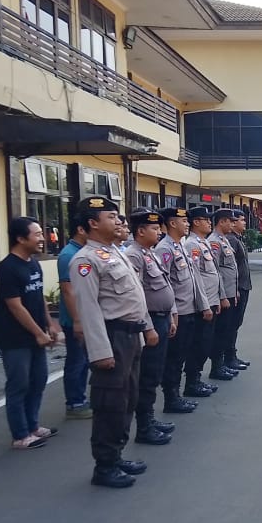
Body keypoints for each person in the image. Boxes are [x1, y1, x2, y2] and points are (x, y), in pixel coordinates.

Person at [69, 196, 158, 488]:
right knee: (110, 403)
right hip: (112, 337)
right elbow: (89, 309)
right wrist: (100, 352)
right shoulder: (85, 260)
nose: (118, 221)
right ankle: (104, 465)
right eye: (111, 216)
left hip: (130, 335)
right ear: (92, 223)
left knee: (127, 399)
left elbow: (136, 296)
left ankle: (116, 456)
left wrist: (145, 328)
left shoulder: (114, 252)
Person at [0, 216, 62, 449]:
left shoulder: (33, 263)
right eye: (37, 234)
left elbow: (38, 296)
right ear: (21, 239)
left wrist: (49, 325)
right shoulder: (7, 268)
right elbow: (15, 306)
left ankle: (33, 426)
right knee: (19, 384)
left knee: (38, 380)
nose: (42, 238)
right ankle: (20, 435)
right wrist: (37, 333)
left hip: (36, 335)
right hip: (15, 338)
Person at [125, 209, 177, 447]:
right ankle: (144, 426)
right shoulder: (134, 256)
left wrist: (171, 315)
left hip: (162, 318)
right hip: (151, 321)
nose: (159, 232)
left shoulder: (150, 253)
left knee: (155, 373)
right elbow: (137, 296)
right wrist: (148, 327)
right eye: (154, 229)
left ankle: (150, 419)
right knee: (147, 375)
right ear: (140, 231)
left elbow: (164, 284)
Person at [155, 207, 200, 412]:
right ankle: (171, 398)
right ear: (172, 223)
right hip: (177, 313)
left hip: (188, 309)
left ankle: (177, 395)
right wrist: (172, 314)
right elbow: (165, 284)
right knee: (173, 359)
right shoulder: (164, 249)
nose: (188, 224)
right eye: (184, 221)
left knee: (182, 355)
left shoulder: (179, 246)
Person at [57, 214, 91, 419]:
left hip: (86, 316)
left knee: (85, 360)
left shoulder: (84, 251)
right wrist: (77, 320)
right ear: (81, 229)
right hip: (74, 319)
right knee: (76, 361)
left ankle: (80, 398)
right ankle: (74, 403)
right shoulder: (68, 254)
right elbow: (67, 290)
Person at [184, 208, 221, 394]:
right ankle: (192, 382)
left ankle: (196, 379)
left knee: (206, 343)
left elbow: (214, 273)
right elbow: (196, 277)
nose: (209, 223)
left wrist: (218, 298)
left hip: (212, 300)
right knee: (199, 344)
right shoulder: (192, 245)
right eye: (205, 220)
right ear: (196, 222)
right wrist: (205, 305)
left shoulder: (203, 242)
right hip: (202, 304)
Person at [207, 209, 244, 377]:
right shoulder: (214, 242)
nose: (233, 224)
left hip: (230, 293)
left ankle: (222, 363)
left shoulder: (223, 240)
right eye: (230, 221)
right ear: (222, 222)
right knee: (220, 332)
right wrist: (222, 296)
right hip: (223, 296)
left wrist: (234, 291)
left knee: (227, 329)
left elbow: (230, 268)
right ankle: (217, 366)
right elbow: (216, 271)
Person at [226, 210, 253, 364]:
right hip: (237, 288)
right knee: (231, 324)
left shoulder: (237, 238)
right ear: (233, 222)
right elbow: (230, 268)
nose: (244, 222)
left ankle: (232, 356)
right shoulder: (231, 240)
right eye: (242, 220)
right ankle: (228, 357)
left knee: (236, 323)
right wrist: (234, 288)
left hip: (243, 286)